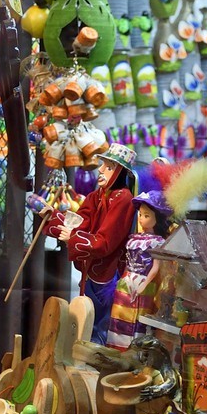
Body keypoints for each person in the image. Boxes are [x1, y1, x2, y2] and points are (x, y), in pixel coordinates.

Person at [55, 143, 137, 344]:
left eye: (108, 167)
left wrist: (73, 238)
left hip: (106, 271)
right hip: (91, 268)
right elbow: (81, 220)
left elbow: (106, 242)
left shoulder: (123, 199)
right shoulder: (97, 195)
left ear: (119, 172)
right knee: (86, 317)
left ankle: (93, 357)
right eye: (103, 164)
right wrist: (53, 218)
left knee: (98, 322)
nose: (100, 170)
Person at [106, 193, 170, 350]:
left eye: (146, 215)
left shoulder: (158, 242)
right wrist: (123, 278)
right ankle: (115, 347)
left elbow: (155, 267)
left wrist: (144, 284)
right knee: (119, 314)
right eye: (140, 214)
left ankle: (132, 351)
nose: (141, 219)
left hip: (143, 281)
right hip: (127, 280)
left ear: (158, 219)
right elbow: (128, 261)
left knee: (136, 318)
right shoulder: (134, 238)